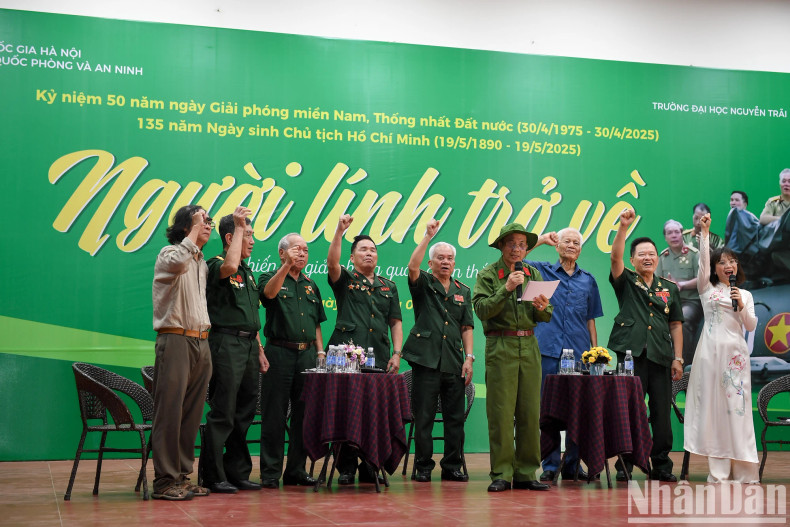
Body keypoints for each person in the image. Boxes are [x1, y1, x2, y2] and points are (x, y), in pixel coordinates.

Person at [473, 223, 552, 492]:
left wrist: (542, 307)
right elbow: (482, 309)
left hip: (529, 344)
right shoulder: (488, 274)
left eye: (522, 244)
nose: (517, 249)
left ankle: (527, 472)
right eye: (512, 244)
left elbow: (546, 314)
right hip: (501, 344)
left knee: (530, 412)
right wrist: (506, 288)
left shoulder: (533, 273)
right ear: (501, 246)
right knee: (501, 413)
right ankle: (502, 473)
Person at [327, 214, 403, 485]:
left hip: (379, 355)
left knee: (374, 413)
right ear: (352, 257)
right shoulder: (345, 279)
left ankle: (372, 464)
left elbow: (395, 321)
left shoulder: (388, 286)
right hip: (344, 356)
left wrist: (396, 352)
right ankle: (346, 467)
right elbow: (332, 262)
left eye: (373, 250)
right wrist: (339, 231)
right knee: (345, 411)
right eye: (363, 249)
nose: (369, 253)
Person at [609, 209, 684, 482]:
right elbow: (614, 257)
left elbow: (676, 324)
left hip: (662, 357)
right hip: (630, 356)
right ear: (632, 259)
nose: (648, 257)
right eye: (641, 254)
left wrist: (678, 358)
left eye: (651, 253)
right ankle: (625, 466)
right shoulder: (626, 281)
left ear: (657, 257)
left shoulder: (669, 288)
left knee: (662, 416)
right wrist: (623, 226)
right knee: (629, 411)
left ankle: (661, 465)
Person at [684, 213, 760, 483]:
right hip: (709, 355)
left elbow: (750, 325)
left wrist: (739, 304)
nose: (728, 265)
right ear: (715, 268)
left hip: (735, 357)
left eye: (732, 261)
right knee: (714, 412)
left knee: (736, 410)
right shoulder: (707, 289)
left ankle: (744, 472)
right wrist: (705, 234)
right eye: (722, 262)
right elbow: (702, 264)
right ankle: (718, 472)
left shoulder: (746, 294)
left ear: (737, 266)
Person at [524, 228, 604, 482]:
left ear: (580, 249)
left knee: (577, 411)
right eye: (566, 241)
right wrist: (540, 241)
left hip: (580, 355)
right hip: (547, 350)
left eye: (576, 242)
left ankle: (572, 464)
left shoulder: (588, 280)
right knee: (546, 411)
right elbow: (516, 259)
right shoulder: (542, 271)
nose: (571, 245)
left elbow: (590, 319)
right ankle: (549, 465)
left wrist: (596, 353)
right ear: (558, 247)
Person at [200, 207, 269, 494]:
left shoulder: (249, 273)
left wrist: (260, 350)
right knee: (224, 411)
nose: (252, 241)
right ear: (230, 237)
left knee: (244, 412)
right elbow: (228, 269)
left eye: (252, 235)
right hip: (225, 343)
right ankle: (213, 476)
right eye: (247, 235)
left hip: (249, 345)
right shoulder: (217, 264)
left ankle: (237, 472)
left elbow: (250, 316)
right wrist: (239, 227)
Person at [403, 219, 474, 483]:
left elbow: (467, 327)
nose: (445, 262)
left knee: (455, 418)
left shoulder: (462, 291)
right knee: (424, 417)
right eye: (440, 258)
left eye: (450, 258)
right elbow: (412, 266)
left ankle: (452, 466)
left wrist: (469, 358)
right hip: (426, 361)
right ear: (431, 263)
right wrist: (426, 237)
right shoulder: (423, 284)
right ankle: (423, 466)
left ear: (454, 263)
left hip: (454, 362)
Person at [151, 204, 214, 500]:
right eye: (202, 219)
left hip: (201, 342)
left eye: (209, 219)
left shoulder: (201, 263)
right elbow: (177, 263)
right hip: (175, 339)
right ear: (185, 226)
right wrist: (191, 233)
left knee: (191, 415)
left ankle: (182, 475)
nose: (208, 224)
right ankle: (164, 481)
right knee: (170, 413)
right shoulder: (170, 254)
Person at [258, 233, 325, 488]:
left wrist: (320, 352)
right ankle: (270, 473)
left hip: (307, 354)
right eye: (297, 249)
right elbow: (268, 295)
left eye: (306, 250)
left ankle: (296, 470)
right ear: (282, 253)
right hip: (279, 353)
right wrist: (286, 267)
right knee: (274, 415)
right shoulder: (270, 277)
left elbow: (316, 322)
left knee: (304, 416)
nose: (302, 253)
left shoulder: (311, 284)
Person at [656, 219, 702, 366]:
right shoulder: (662, 258)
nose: (674, 235)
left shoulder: (694, 254)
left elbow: (703, 279)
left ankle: (683, 363)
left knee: (683, 320)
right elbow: (656, 284)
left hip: (691, 301)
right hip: (669, 302)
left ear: (682, 234)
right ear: (665, 237)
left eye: (677, 232)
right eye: (670, 233)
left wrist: (681, 285)